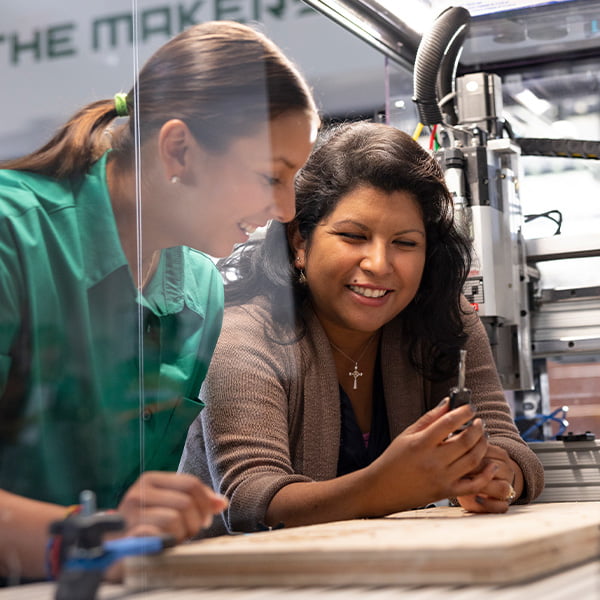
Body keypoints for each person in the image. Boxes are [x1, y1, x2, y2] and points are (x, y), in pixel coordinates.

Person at [0, 20, 319, 582]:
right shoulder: (12, 236)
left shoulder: (199, 289)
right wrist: (87, 536)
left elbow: (133, 512)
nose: (288, 210)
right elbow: (111, 529)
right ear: (178, 150)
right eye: (271, 176)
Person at [180, 120, 545, 537]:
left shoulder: (446, 319)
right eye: (353, 236)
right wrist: (385, 486)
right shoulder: (243, 334)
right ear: (300, 241)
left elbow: (510, 448)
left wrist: (497, 478)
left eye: (405, 243)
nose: (379, 264)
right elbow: (251, 501)